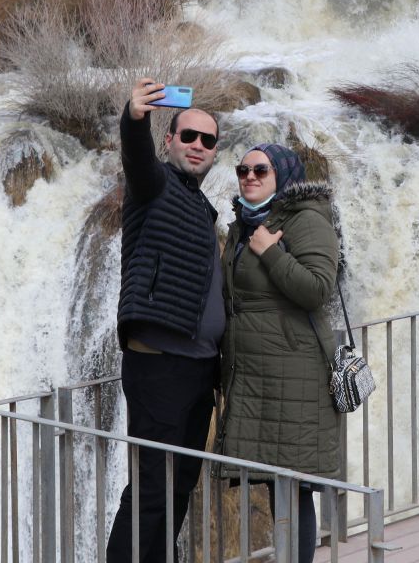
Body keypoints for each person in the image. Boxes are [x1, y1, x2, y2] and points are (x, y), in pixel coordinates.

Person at [107, 78, 225, 563]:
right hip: (158, 365)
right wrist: (133, 117)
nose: (198, 146)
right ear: (170, 141)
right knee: (152, 489)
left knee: (180, 487)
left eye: (208, 141)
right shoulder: (153, 184)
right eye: (189, 136)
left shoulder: (202, 205)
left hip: (199, 369)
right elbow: (135, 158)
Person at [217, 143, 341, 563]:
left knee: (293, 486)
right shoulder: (243, 223)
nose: (249, 176)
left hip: (296, 375)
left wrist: (269, 251)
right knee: (275, 482)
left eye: (261, 170)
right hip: (255, 375)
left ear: (282, 175)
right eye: (243, 169)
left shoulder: (306, 219)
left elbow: (317, 290)